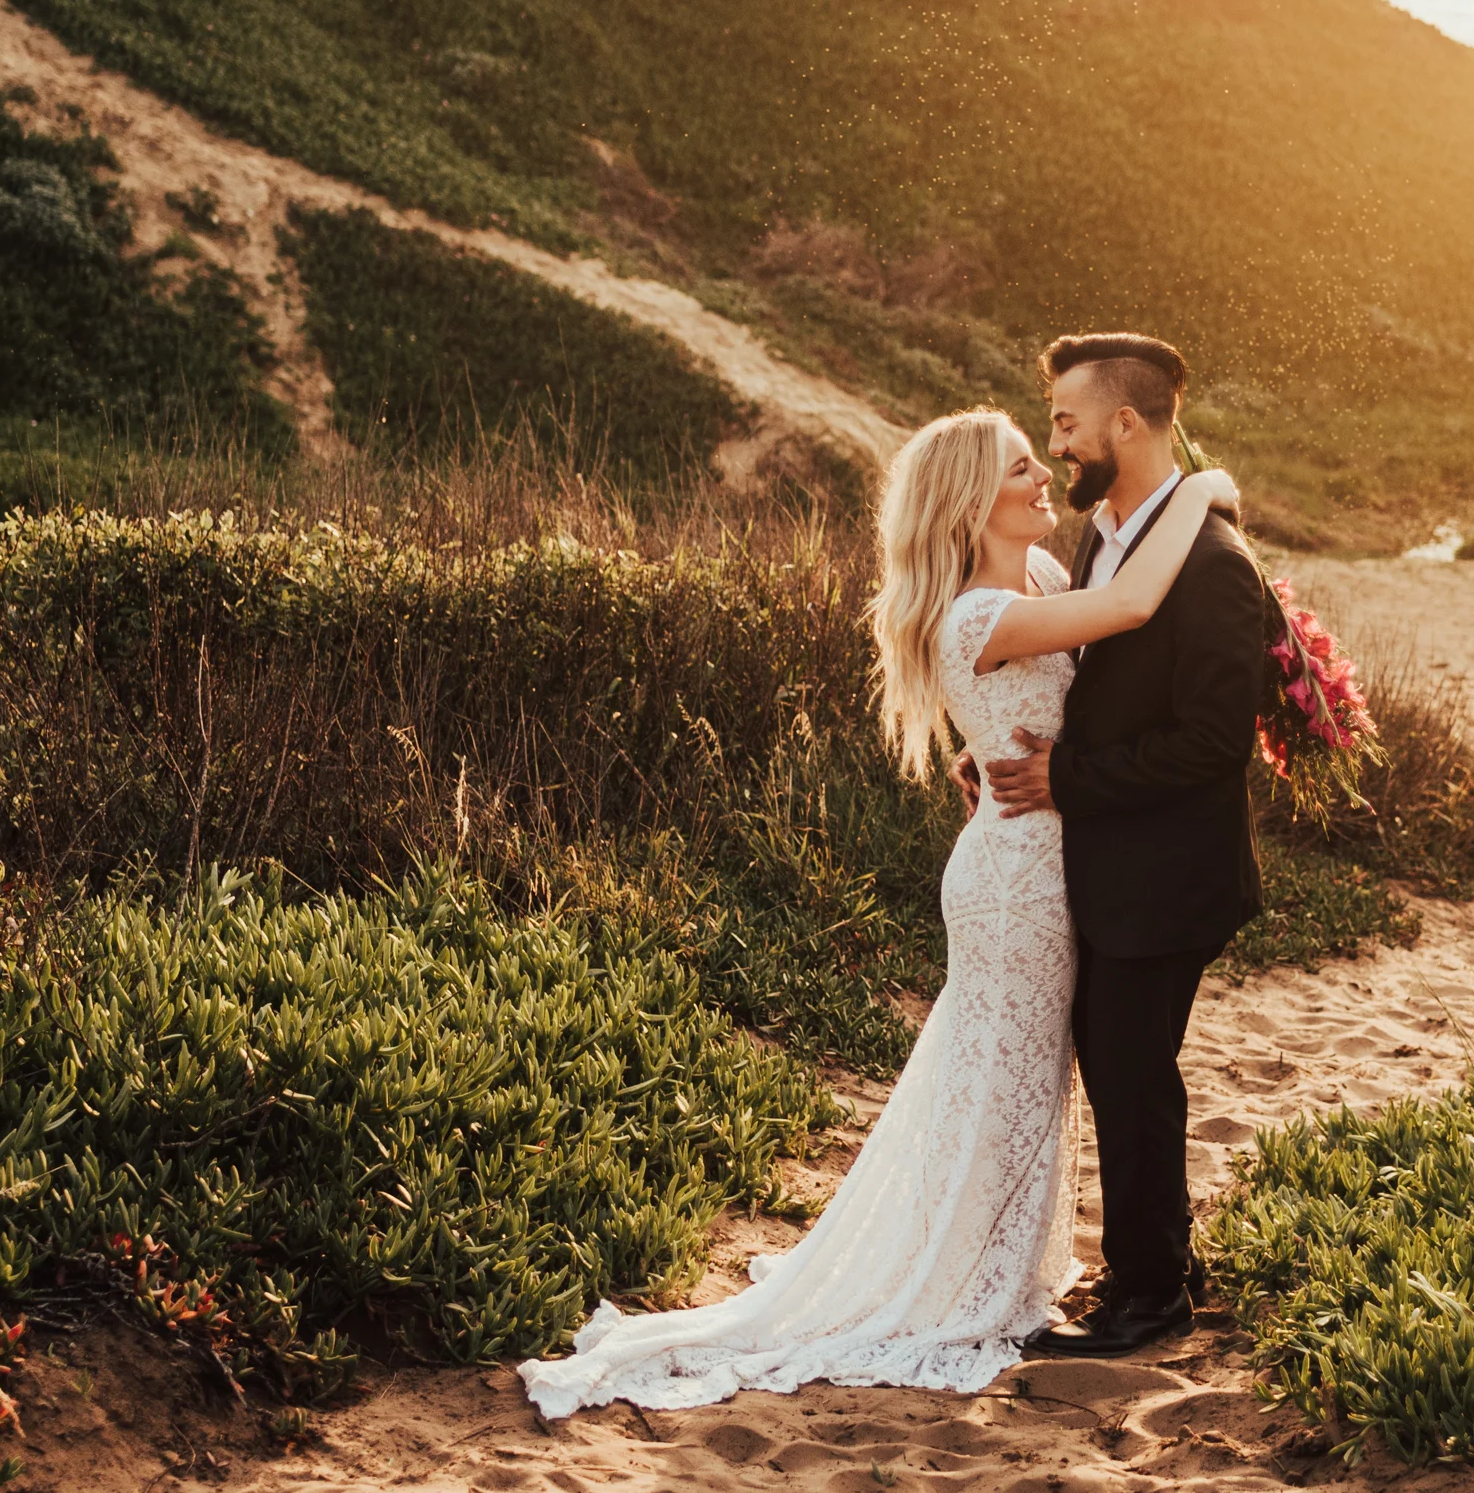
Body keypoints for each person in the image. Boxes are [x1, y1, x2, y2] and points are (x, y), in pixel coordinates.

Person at [517, 404, 1236, 1416]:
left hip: (1046, 856)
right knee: (999, 1074)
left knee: (1016, 1074)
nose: (1044, 481)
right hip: (1013, 881)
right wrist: (1202, 489)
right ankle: (958, 1278)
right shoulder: (976, 617)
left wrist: (986, 753)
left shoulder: (1032, 579)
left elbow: (1082, 685)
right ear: (968, 501)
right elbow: (1127, 607)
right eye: (1021, 470)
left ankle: (994, 1265)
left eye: (1040, 460)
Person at [974, 332, 1266, 1359]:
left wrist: (1067, 780)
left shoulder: (1215, 565)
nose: (1057, 442)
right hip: (1111, 865)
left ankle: (1147, 1301)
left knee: (1133, 1069)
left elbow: (1215, 741)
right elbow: (1096, 687)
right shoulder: (1106, 537)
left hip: (1169, 873)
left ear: (1124, 424)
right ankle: (1165, 1260)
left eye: (1064, 420)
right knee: (1119, 1061)